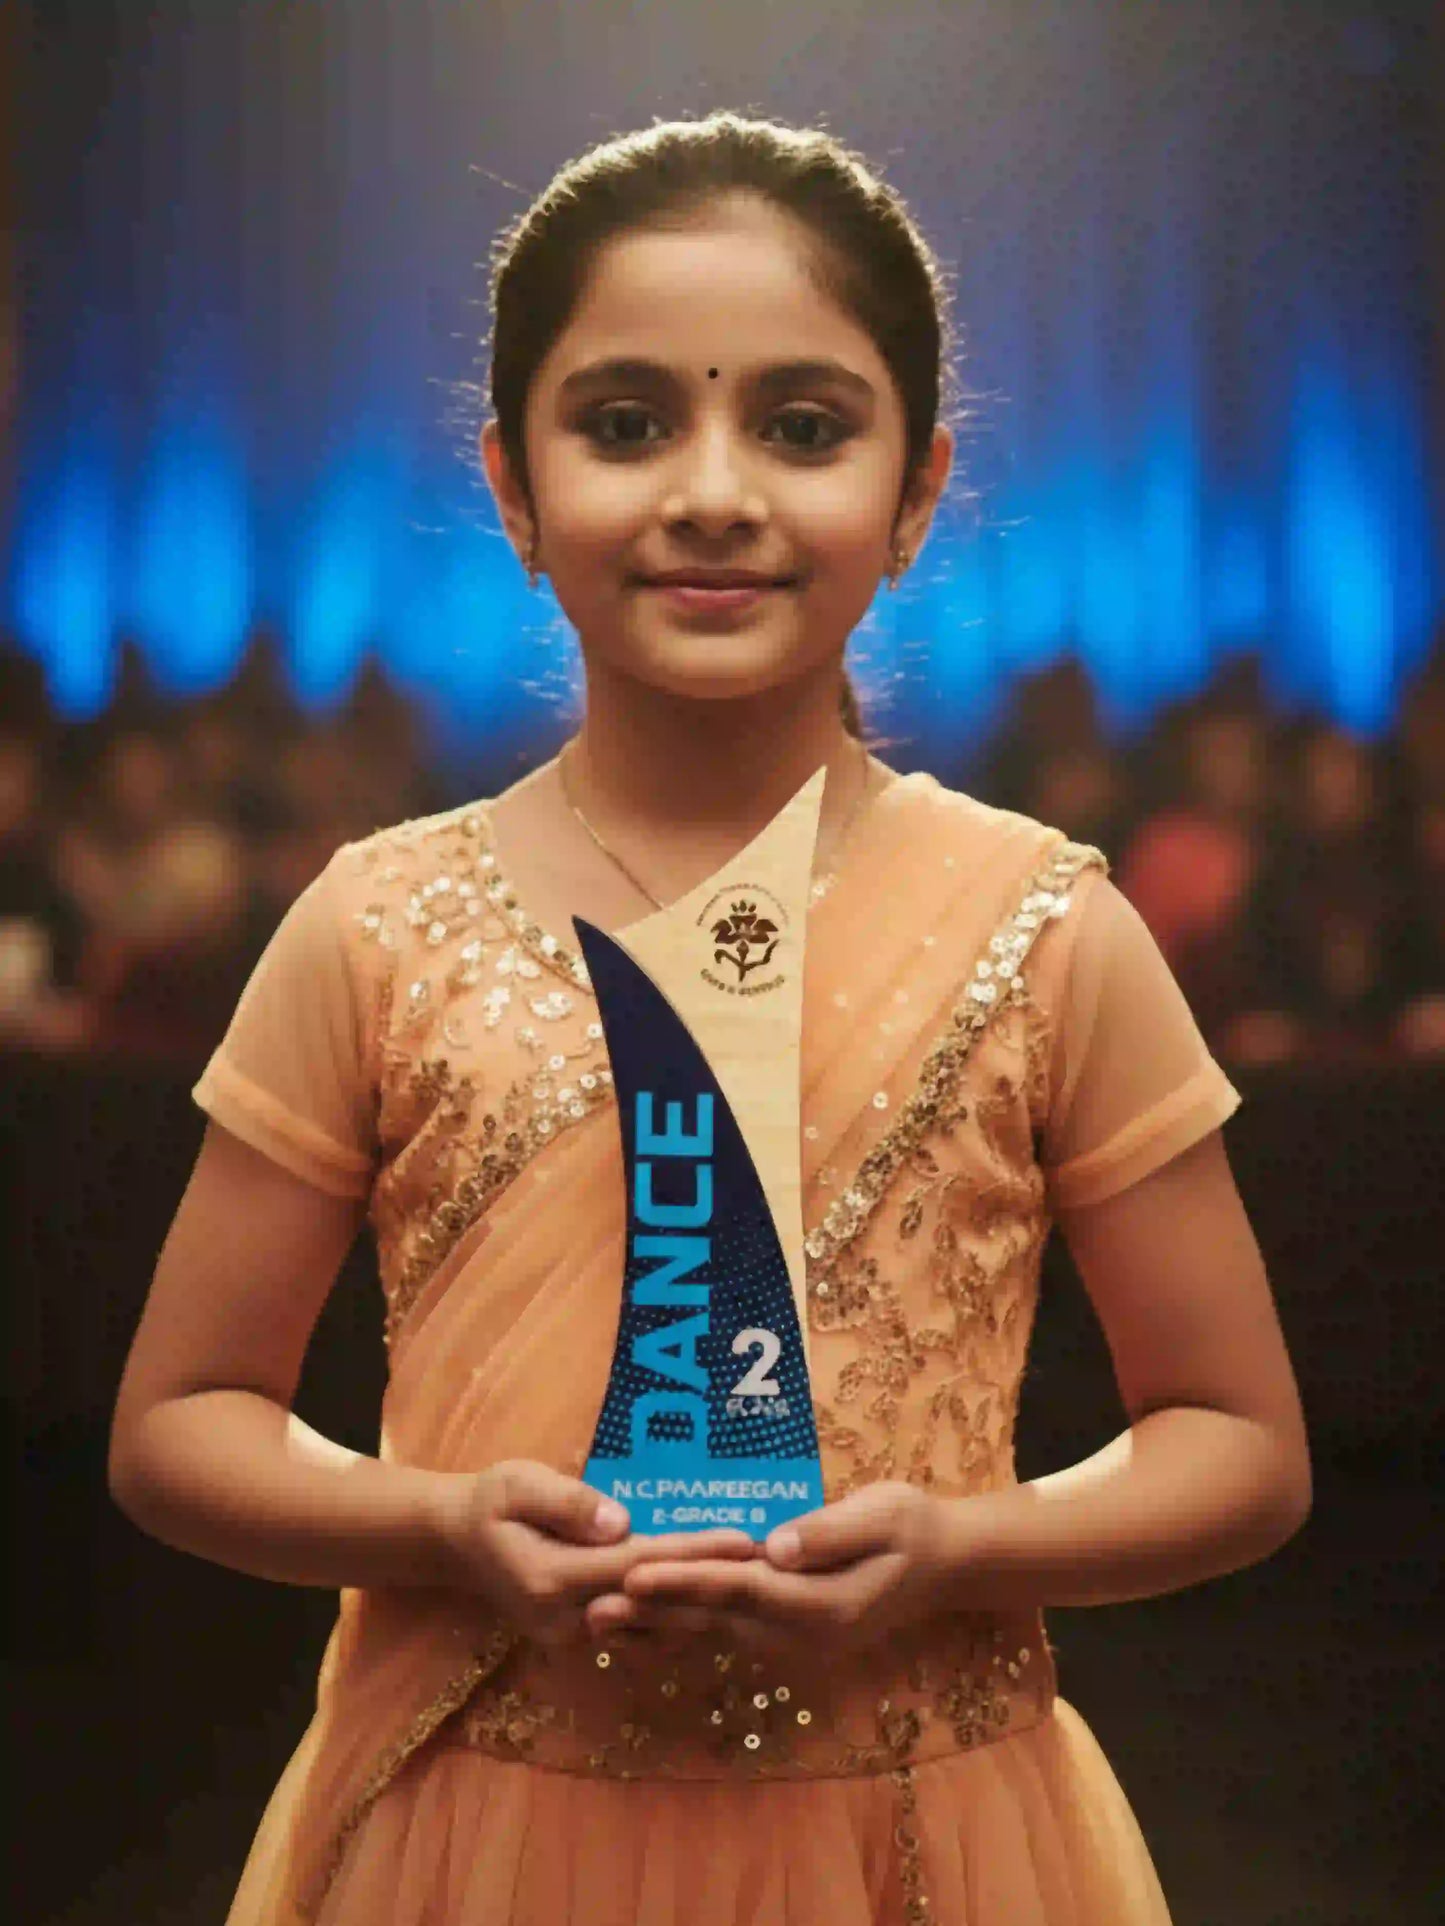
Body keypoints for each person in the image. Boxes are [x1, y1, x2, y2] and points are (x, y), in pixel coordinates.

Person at [107, 112, 1313, 1926]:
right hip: (474, 1830)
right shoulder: (377, 921)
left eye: (805, 428)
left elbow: (1239, 1439)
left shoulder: (1048, 927)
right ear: (511, 487)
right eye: (625, 422)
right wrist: (441, 1524)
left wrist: (957, 1546)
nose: (715, 491)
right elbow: (180, 1418)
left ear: (917, 491)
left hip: (925, 1835)